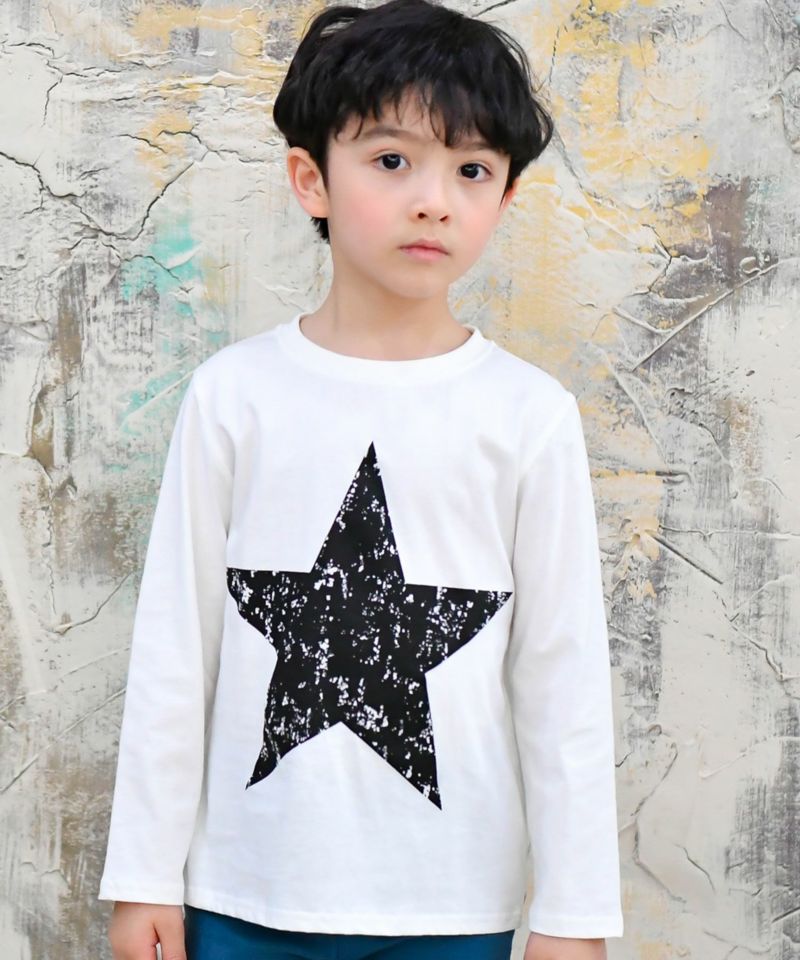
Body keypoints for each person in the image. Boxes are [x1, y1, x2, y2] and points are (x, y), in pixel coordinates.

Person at [98, 1, 625, 958]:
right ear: (312, 179)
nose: (434, 200)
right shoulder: (234, 397)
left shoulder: (529, 416)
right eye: (391, 160)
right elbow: (177, 651)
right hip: (243, 895)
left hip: (452, 906)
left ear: (505, 199)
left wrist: (575, 917)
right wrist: (142, 879)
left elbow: (563, 679)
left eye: (471, 170)